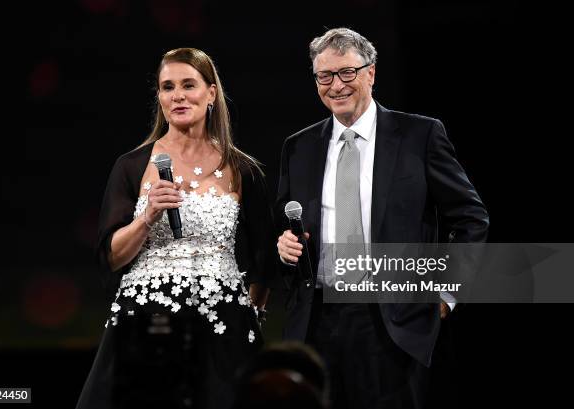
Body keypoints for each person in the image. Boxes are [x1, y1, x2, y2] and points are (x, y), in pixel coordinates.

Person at [276, 28, 489, 409]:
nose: (336, 85)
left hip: (394, 319)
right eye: (324, 76)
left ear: (370, 73)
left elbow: (471, 217)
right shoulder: (299, 146)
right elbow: (285, 220)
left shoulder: (420, 134)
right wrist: (285, 244)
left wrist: (447, 293)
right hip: (317, 321)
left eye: (347, 73)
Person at [76, 47, 275, 409]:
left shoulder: (243, 169)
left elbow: (264, 257)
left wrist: (252, 314)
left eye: (189, 84)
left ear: (211, 93)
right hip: (147, 317)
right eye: (168, 87)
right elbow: (112, 255)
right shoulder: (132, 166)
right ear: (160, 98)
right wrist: (146, 217)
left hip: (223, 321)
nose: (178, 95)